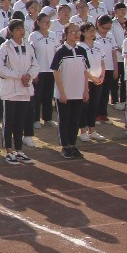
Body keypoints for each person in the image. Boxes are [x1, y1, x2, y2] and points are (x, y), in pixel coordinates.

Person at [0, 19, 38, 165]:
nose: (21, 31)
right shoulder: (5, 47)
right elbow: (0, 69)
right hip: (10, 90)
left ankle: (19, 150)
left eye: (22, 28)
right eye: (18, 29)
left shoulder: (28, 46)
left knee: (21, 121)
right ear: (11, 31)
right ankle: (9, 151)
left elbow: (35, 65)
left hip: (25, 89)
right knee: (9, 122)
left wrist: (29, 76)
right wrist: (20, 75)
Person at [51, 23, 90, 160]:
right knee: (65, 120)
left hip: (78, 92)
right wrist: (61, 92)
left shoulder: (82, 50)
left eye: (77, 31)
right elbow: (56, 72)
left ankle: (73, 145)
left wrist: (86, 90)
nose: (76, 34)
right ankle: (65, 146)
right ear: (66, 34)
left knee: (75, 120)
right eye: (73, 32)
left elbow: (85, 71)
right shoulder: (61, 51)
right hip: (65, 93)